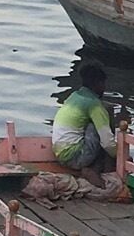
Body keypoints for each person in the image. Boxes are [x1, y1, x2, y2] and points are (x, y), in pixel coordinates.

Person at [52, 60, 121, 188]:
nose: (104, 87)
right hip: (76, 157)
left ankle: (96, 166)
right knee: (100, 126)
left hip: (59, 155)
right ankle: (95, 169)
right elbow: (107, 142)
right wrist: (121, 157)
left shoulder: (74, 96)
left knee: (93, 122)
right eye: (103, 84)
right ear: (98, 84)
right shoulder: (94, 105)